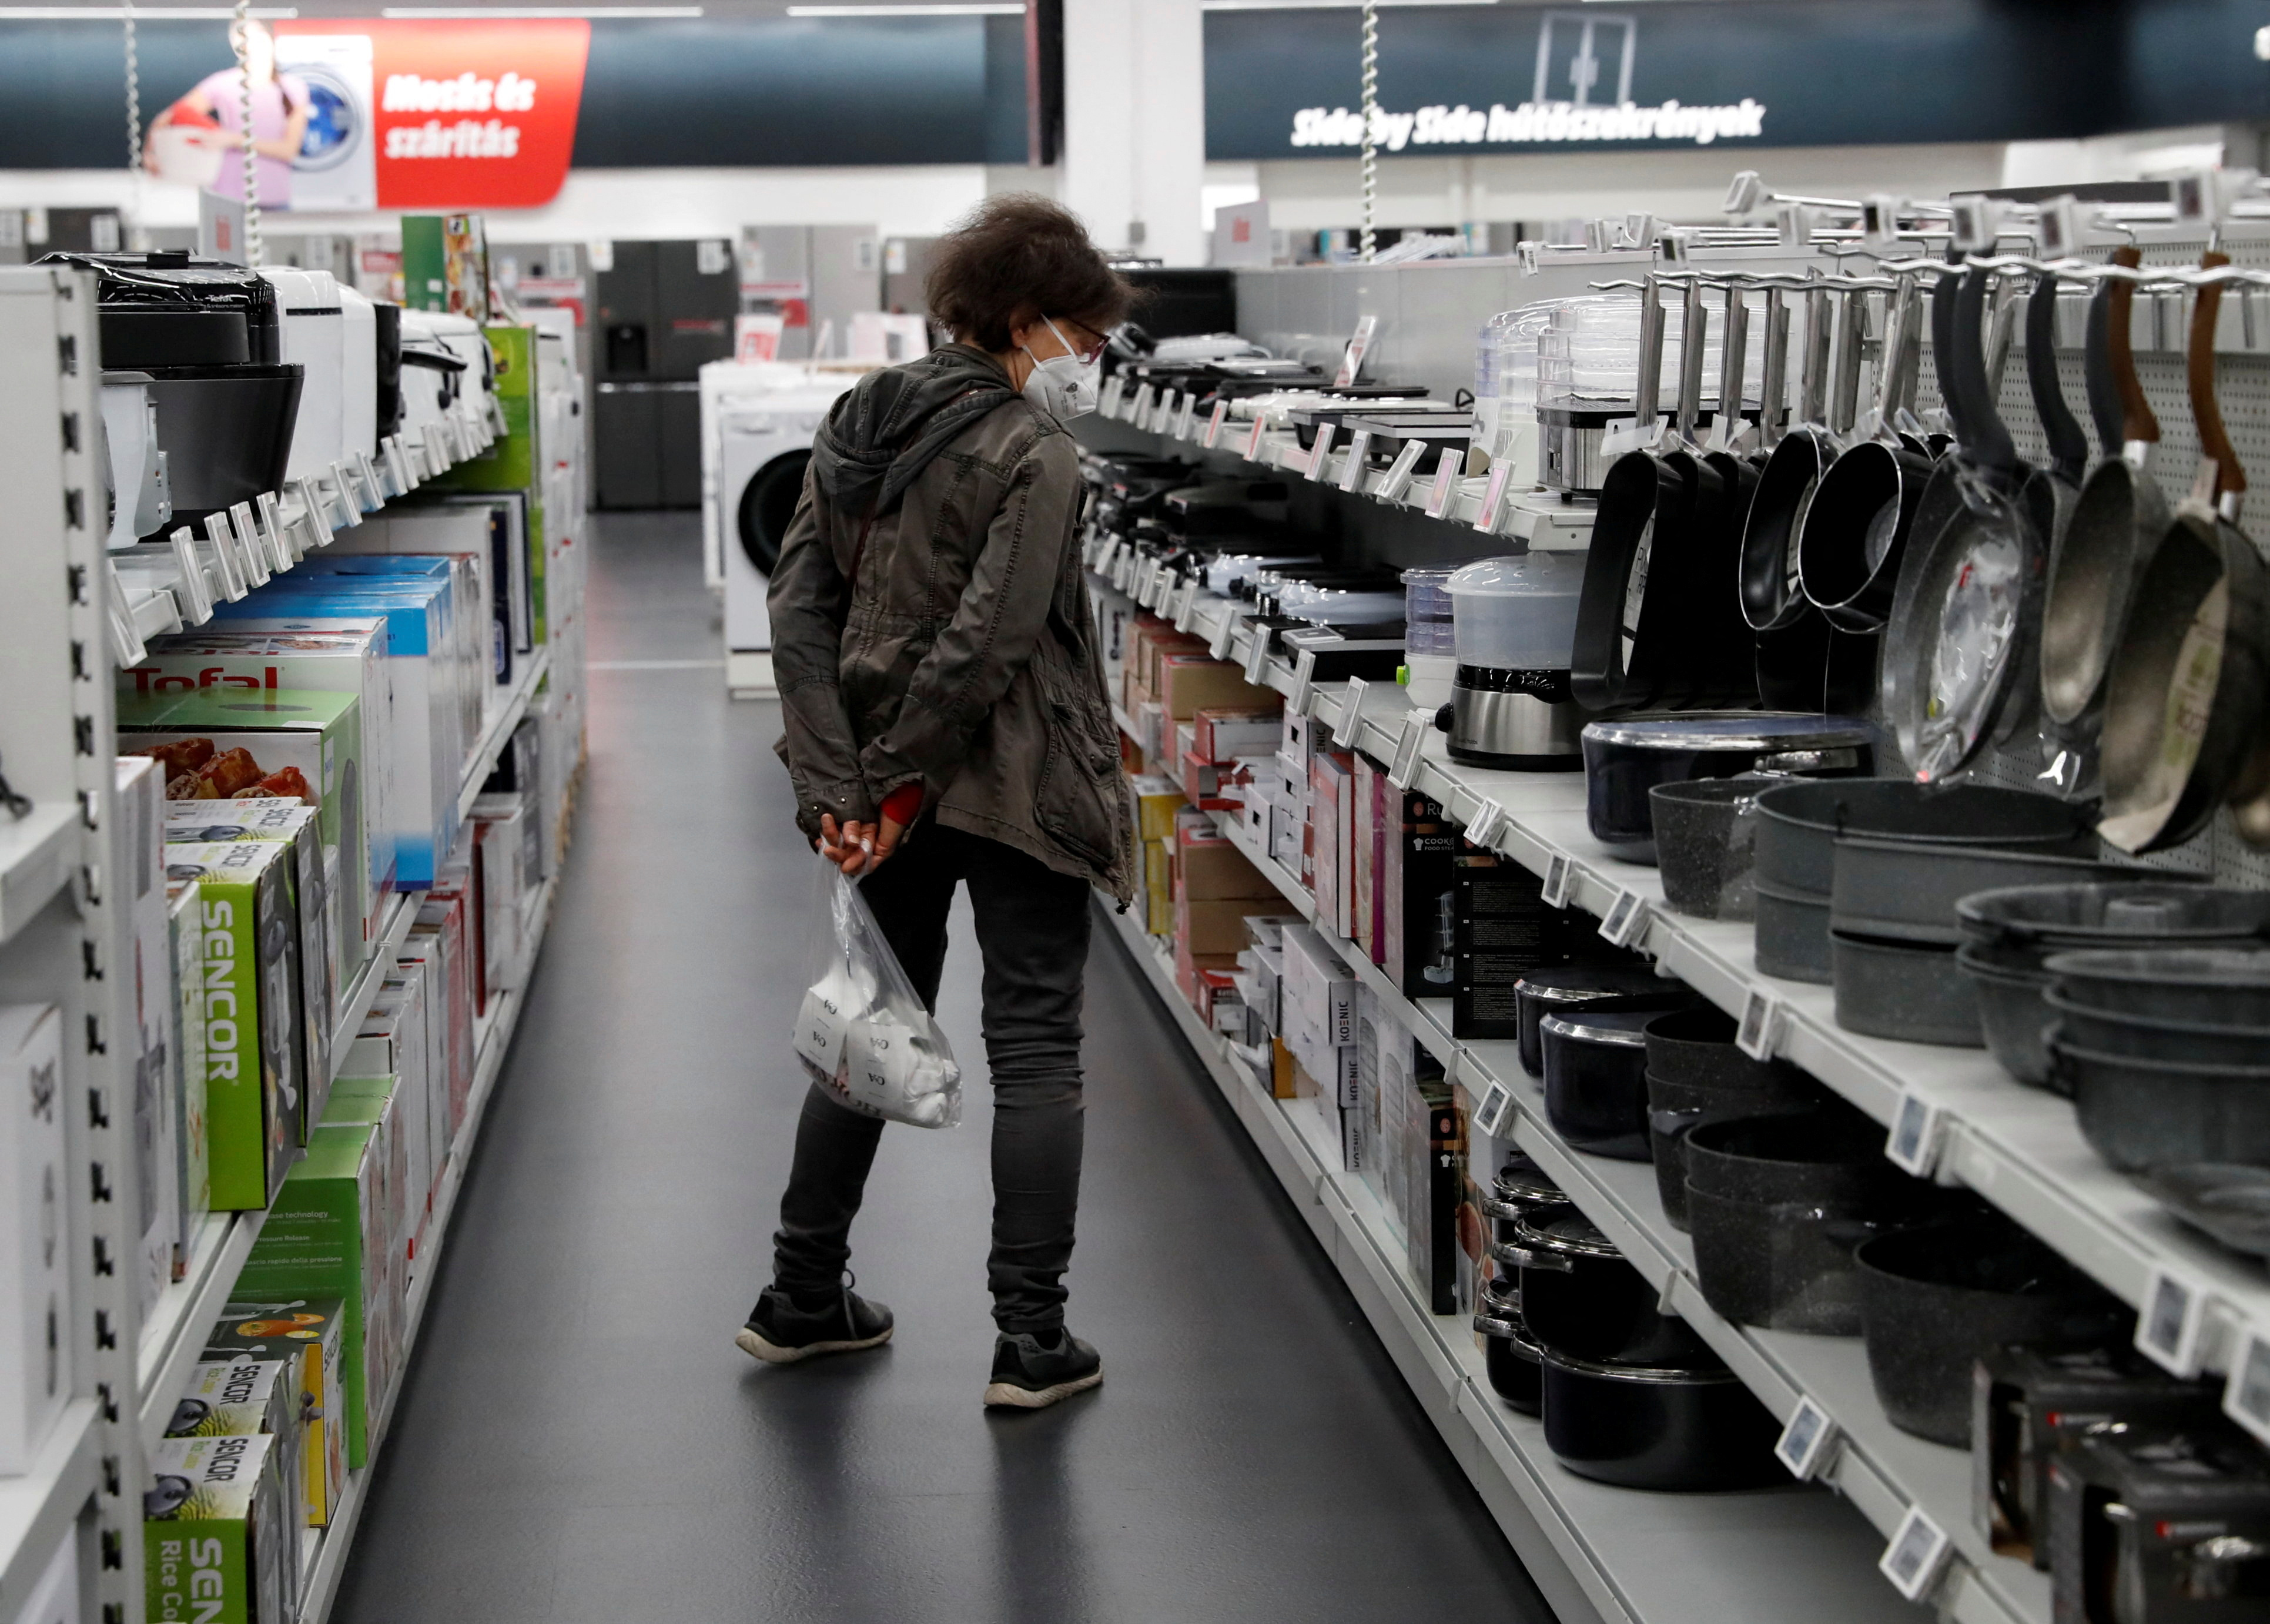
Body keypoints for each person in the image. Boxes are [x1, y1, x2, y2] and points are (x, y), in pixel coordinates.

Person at [748, 194, 1137, 1411]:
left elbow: (796, 607)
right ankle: (1031, 1339)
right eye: (1082, 334)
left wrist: (844, 787)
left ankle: (802, 1294)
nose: (1089, 359)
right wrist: (904, 778)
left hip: (877, 784)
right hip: (1013, 784)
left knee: (871, 1019)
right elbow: (990, 641)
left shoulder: (855, 417)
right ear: (1027, 322)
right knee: (1034, 1045)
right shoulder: (1036, 450)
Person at [168, 18, 310, 209]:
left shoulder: (294, 89)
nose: (252, 45)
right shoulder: (223, 84)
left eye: (258, 36)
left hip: (275, 199)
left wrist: (235, 140)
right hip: (229, 197)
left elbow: (289, 149)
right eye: (243, 39)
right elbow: (174, 114)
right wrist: (152, 153)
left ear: (270, 38)